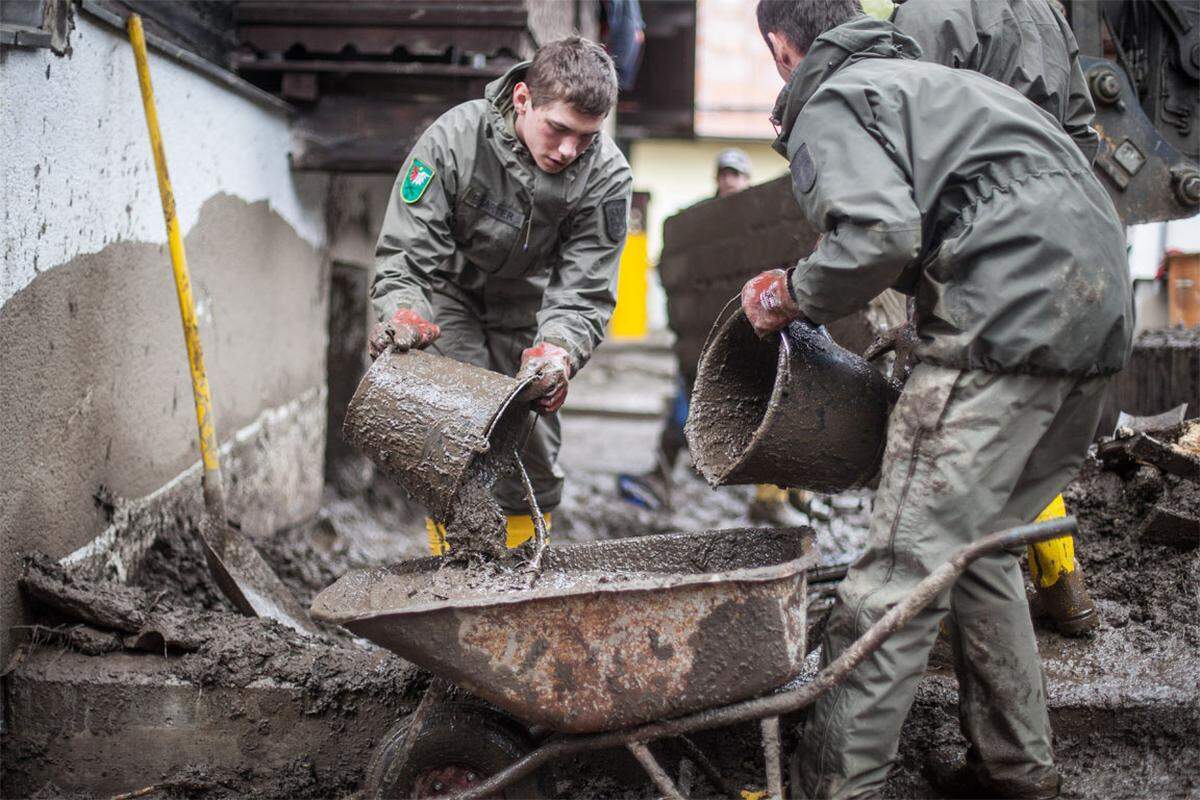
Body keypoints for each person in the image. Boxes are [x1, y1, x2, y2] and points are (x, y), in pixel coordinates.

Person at [748, 2, 1131, 798]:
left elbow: (878, 235)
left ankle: (835, 789)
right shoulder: (938, 85)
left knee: (895, 575)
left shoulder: (835, 99)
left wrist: (792, 293)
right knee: (980, 550)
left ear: (784, 49)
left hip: (1004, 327)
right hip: (1100, 323)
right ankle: (1017, 771)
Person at [369, 37, 632, 554]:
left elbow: (584, 289)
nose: (568, 150)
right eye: (558, 129)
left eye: (585, 137)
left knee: (530, 446)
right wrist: (402, 311)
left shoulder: (606, 177)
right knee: (454, 427)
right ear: (522, 100)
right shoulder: (453, 140)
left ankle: (523, 574)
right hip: (450, 298)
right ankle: (453, 574)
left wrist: (560, 348)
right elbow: (406, 250)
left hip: (534, 313)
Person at [616, 148, 807, 525]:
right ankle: (661, 478)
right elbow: (679, 275)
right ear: (717, 178)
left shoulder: (761, 228)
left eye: (736, 175)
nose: (730, 181)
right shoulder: (700, 230)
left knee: (774, 413)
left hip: (753, 339)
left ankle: (777, 495)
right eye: (725, 174)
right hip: (700, 341)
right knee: (683, 410)